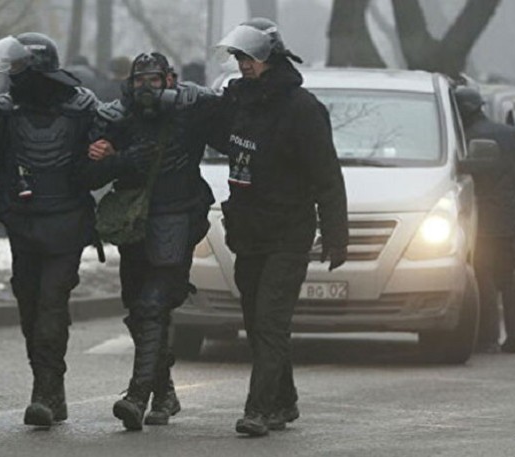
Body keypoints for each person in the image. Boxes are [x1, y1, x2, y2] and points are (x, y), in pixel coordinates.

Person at [0, 33, 106, 427]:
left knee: (51, 305)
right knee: (31, 308)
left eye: (18, 67)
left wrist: (106, 152)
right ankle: (50, 386)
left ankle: (45, 395)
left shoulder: (83, 107)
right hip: (24, 223)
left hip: (67, 224)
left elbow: (111, 156)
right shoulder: (2, 110)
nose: (12, 74)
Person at [211, 18, 348, 436]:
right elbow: (217, 138)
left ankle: (259, 409)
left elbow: (327, 175)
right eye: (238, 57)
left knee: (270, 321)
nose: (243, 65)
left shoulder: (302, 109)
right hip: (249, 230)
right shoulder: (236, 103)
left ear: (271, 57)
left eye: (250, 56)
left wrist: (336, 235)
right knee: (256, 321)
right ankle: (284, 401)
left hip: (289, 231)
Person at [88, 52, 218, 431]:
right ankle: (165, 392)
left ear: (169, 80)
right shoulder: (118, 117)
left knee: (152, 303)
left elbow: (221, 115)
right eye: (140, 79)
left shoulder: (188, 113)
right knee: (138, 309)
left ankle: (137, 395)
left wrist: (186, 96)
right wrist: (112, 159)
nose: (147, 87)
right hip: (136, 226)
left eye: (154, 80)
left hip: (178, 218)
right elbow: (90, 175)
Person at [455, 86, 515, 354]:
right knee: (510, 278)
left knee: (483, 278)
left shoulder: (464, 138)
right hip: (507, 218)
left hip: (481, 220)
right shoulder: (509, 133)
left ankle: (488, 338)